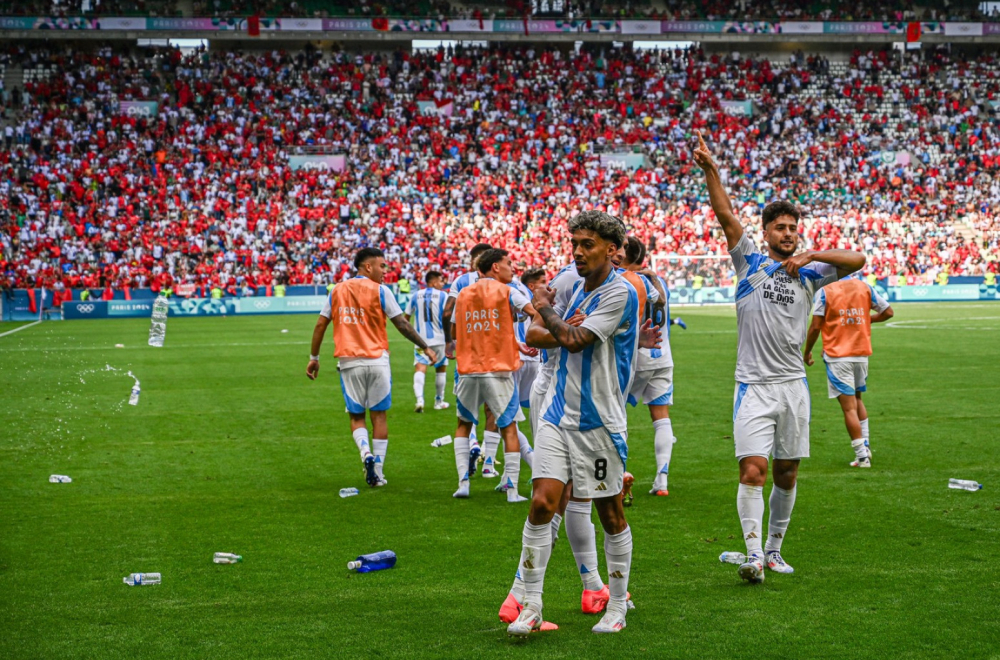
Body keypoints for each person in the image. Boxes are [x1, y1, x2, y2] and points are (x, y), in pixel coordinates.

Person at [694, 130, 865, 583]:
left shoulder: (810, 272)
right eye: (780, 228)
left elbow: (858, 258)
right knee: (754, 469)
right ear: (766, 232)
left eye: (793, 229)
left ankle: (773, 550)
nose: (787, 234)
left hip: (793, 385)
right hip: (753, 384)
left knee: (787, 473)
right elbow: (725, 213)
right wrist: (711, 169)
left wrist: (812, 252)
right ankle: (752, 555)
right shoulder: (749, 260)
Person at [505, 211, 660, 636]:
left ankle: (616, 606)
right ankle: (531, 606)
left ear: (612, 250)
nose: (577, 251)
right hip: (557, 411)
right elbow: (540, 336)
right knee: (541, 503)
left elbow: (572, 339)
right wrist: (555, 320)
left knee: (610, 513)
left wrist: (544, 308)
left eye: (587, 244)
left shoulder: (620, 293)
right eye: (574, 242)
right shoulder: (574, 288)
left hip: (599, 422)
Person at [306, 248, 438, 488]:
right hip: (378, 360)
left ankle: (364, 451)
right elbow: (402, 324)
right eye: (382, 266)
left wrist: (314, 357)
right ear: (368, 267)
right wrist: (425, 347)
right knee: (379, 416)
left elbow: (319, 325)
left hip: (348, 362)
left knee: (357, 416)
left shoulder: (336, 290)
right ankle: (377, 471)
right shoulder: (381, 291)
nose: (385, 271)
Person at [450, 248, 535, 502]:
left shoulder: (464, 293)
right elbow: (532, 311)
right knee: (508, 426)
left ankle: (463, 483)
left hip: (468, 369)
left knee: (463, 425)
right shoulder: (509, 291)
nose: (513, 268)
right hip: (497, 370)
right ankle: (512, 490)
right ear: (495, 267)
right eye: (508, 263)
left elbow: (457, 331)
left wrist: (509, 340)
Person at [803, 277, 893, 467]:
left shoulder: (826, 290)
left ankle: (861, 456)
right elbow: (888, 312)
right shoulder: (864, 286)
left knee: (848, 407)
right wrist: (866, 320)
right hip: (861, 354)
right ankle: (866, 446)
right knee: (858, 400)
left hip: (838, 357)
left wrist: (807, 350)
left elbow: (816, 326)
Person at [622, 236, 678, 497]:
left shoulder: (625, 281)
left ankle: (617, 474)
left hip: (634, 356)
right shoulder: (659, 281)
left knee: (613, 411)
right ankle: (662, 479)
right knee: (661, 416)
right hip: (663, 356)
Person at [487, 268, 545, 481]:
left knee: (507, 418)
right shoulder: (529, 294)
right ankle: (508, 475)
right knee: (535, 414)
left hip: (513, 359)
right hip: (534, 358)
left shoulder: (503, 290)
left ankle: (534, 464)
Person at [443, 242, 493, 467]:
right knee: (494, 410)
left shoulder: (461, 281)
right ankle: (489, 462)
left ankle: (472, 444)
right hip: (495, 354)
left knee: (466, 408)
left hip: (466, 355)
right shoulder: (501, 281)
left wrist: (449, 342)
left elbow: (447, 312)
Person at [405, 271, 450, 413]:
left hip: (421, 340)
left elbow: (405, 319)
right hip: (440, 339)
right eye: (440, 281)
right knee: (441, 369)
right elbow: (449, 316)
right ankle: (439, 401)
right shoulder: (444, 296)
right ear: (433, 282)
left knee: (420, 368)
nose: (442, 284)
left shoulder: (415, 295)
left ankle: (419, 400)